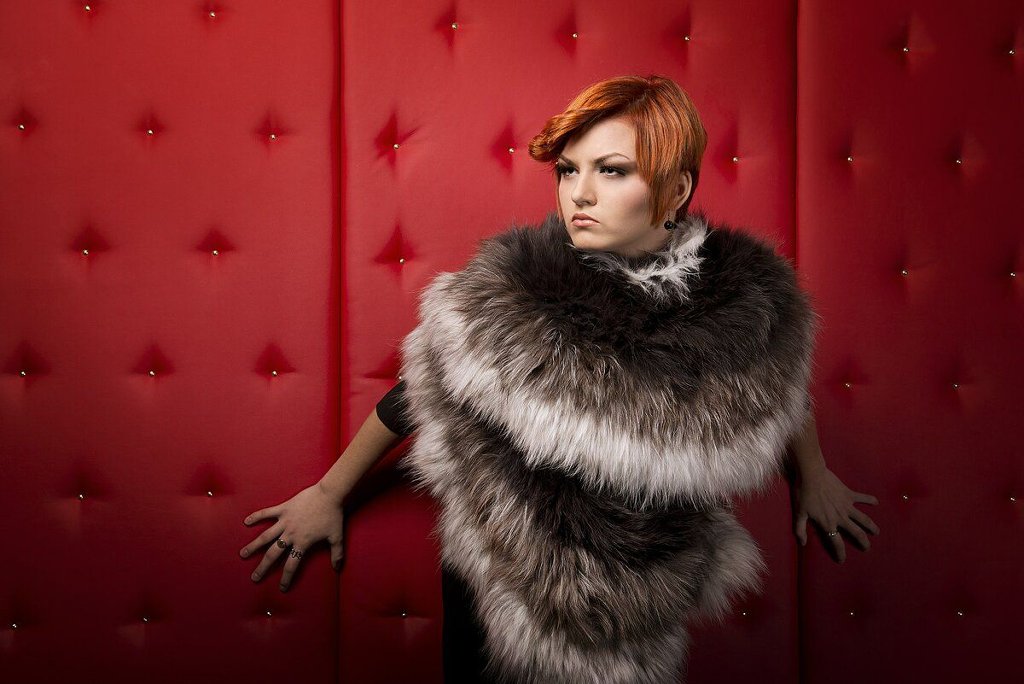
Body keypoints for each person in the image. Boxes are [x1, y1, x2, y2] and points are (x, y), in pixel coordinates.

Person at [240, 74, 880, 682]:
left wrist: (815, 475)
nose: (580, 193)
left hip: (640, 591)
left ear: (676, 187)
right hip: (502, 578)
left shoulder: (745, 305)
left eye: (612, 170)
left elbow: (770, 386)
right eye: (568, 170)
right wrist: (328, 493)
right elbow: (416, 395)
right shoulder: (511, 297)